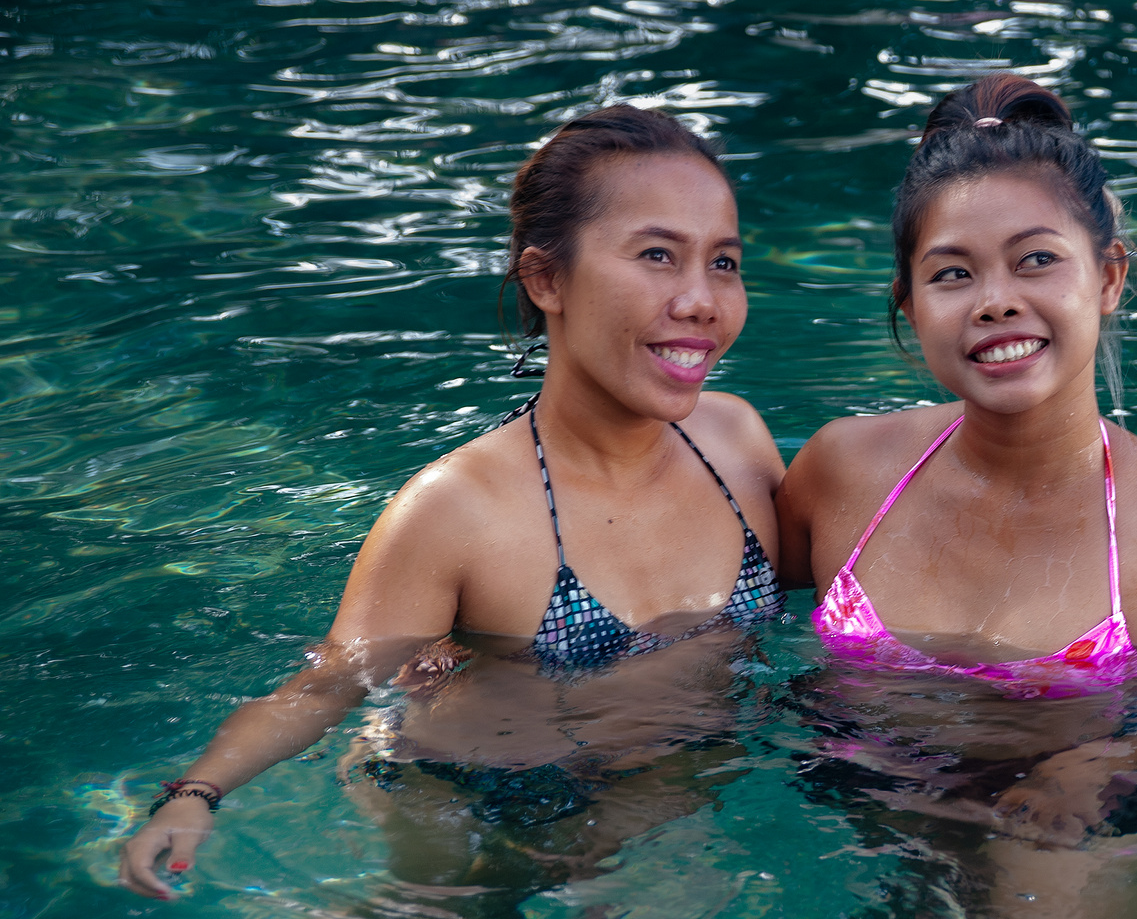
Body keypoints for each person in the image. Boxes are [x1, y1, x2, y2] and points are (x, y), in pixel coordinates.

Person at [119, 106, 787, 913]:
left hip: (663, 779)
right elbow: (328, 685)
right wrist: (194, 794)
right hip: (466, 795)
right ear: (546, 281)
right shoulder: (457, 509)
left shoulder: (738, 444)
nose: (701, 300)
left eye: (724, 262)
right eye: (656, 256)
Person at [775, 75, 1137, 917]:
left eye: (1035, 260)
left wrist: (1115, 756)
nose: (995, 300)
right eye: (951, 273)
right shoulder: (841, 470)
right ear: (909, 308)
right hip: (860, 797)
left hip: (1068, 817)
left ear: (1106, 279)